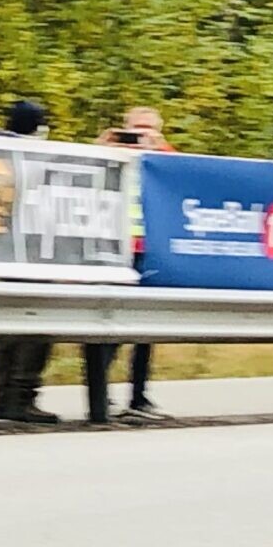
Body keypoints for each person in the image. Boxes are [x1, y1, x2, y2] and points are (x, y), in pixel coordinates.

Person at [87, 105, 173, 425]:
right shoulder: (111, 156)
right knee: (109, 324)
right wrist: (104, 146)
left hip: (149, 248)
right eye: (136, 129)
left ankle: (139, 395)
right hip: (113, 246)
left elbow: (182, 175)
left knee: (145, 329)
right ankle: (101, 395)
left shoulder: (161, 161)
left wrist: (159, 147)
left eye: (148, 129)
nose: (140, 136)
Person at [0, 99, 60, 425]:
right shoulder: (32, 157)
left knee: (11, 324)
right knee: (35, 324)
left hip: (2, 249)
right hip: (32, 248)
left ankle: (4, 395)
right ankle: (21, 396)